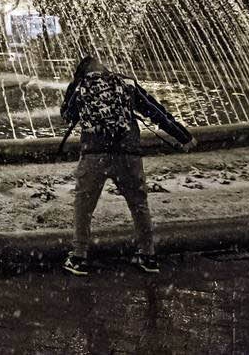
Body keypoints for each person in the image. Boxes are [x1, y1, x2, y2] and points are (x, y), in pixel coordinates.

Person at [60, 53, 195, 276]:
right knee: (138, 204)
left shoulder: (81, 86)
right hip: (128, 154)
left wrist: (75, 90)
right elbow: (157, 112)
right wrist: (183, 136)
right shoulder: (126, 83)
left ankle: (79, 257)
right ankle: (148, 255)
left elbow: (67, 114)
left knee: (84, 207)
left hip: (95, 154)